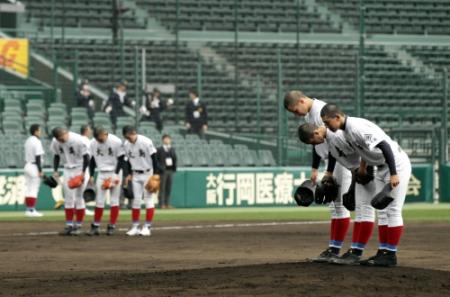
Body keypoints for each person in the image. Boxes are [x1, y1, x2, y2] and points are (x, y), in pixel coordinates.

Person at [321, 103, 411, 267]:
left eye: (327, 122)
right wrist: (362, 168)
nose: (326, 126)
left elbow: (384, 145)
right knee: (382, 210)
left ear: (337, 117)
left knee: (393, 210)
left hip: (396, 165)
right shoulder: (346, 131)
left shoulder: (356, 127)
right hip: (380, 166)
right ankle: (383, 252)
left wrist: (393, 173)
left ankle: (390, 255)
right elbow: (364, 151)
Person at [283, 90, 353, 263]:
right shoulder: (310, 116)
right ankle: (333, 248)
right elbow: (316, 145)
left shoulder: (322, 112)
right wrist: (315, 168)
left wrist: (329, 172)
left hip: (339, 161)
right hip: (331, 162)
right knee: (334, 206)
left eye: (294, 110)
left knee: (340, 205)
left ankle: (336, 249)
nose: (295, 114)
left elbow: (334, 146)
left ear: (301, 101)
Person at [122, 125, 161, 236]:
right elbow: (127, 160)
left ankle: (147, 227)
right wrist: (128, 174)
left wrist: (156, 174)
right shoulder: (126, 144)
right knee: (136, 200)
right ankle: (135, 227)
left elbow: (154, 158)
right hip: (135, 174)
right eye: (126, 137)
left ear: (133, 133)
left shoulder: (146, 141)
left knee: (148, 199)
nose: (127, 139)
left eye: (128, 136)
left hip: (148, 173)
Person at [86, 126, 126, 236]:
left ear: (105, 134)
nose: (99, 140)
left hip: (115, 171)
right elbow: (92, 160)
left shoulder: (116, 141)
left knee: (114, 200)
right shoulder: (93, 142)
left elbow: (122, 159)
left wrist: (115, 175)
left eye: (100, 138)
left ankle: (112, 226)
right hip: (102, 173)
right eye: (97, 138)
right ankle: (95, 226)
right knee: (99, 200)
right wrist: (91, 174)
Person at [51, 127, 90, 236]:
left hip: (80, 168)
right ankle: (69, 225)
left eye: (62, 138)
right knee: (68, 198)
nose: (60, 140)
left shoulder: (79, 140)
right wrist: (55, 170)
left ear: (66, 133)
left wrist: (83, 173)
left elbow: (87, 157)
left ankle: (79, 225)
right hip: (67, 169)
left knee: (79, 196)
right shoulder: (55, 142)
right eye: (58, 139)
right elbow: (56, 156)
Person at [23, 124, 45, 217]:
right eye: (39, 130)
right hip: (34, 166)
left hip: (27, 165)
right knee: (34, 189)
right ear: (35, 131)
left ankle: (28, 210)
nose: (41, 132)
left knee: (29, 188)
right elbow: (38, 157)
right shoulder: (36, 141)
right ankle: (31, 210)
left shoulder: (28, 140)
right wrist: (40, 170)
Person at [156, 134, 177, 209]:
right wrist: (160, 168)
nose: (167, 140)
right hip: (162, 171)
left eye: (168, 139)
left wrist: (174, 168)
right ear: (163, 140)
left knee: (169, 188)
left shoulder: (172, 149)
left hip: (170, 170)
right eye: (165, 139)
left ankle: (167, 203)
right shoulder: (159, 149)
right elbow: (156, 161)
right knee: (162, 188)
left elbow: (175, 159)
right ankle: (161, 204)